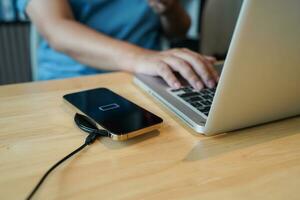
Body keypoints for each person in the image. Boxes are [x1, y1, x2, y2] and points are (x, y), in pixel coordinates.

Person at [18, 0, 218, 90]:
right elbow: (56, 29)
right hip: (73, 82)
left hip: (149, 80)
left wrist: (169, 9)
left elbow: (178, 30)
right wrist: (141, 57)